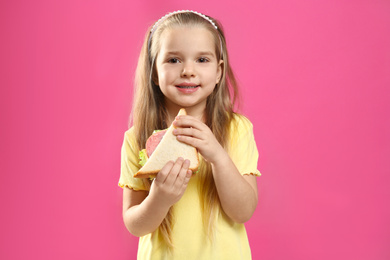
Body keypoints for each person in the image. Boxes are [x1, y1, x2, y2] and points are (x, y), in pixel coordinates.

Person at [119, 10, 261, 259]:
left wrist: (218, 156)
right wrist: (160, 199)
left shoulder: (236, 128)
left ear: (218, 72)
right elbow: (134, 224)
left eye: (202, 60)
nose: (187, 70)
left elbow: (243, 211)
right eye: (173, 60)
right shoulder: (136, 137)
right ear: (154, 72)